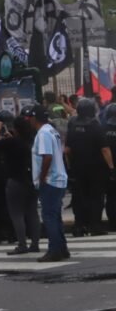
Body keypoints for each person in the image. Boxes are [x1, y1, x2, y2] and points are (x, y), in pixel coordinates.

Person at [0, 113, 40, 255]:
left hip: (16, 180)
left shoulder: (12, 142)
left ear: (16, 129)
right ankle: (35, 243)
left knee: (16, 214)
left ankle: (22, 244)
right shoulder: (31, 140)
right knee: (32, 212)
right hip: (31, 179)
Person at [24, 105, 70, 262]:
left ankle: (54, 250)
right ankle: (62, 248)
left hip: (50, 180)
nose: (29, 121)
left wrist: (42, 177)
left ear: (35, 118)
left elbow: (47, 157)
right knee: (55, 215)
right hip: (59, 178)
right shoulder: (51, 130)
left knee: (49, 216)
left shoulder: (43, 133)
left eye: (30, 118)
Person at [64, 98, 113, 236]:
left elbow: (67, 150)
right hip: (96, 169)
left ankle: (79, 226)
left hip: (77, 168)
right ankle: (95, 226)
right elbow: (105, 149)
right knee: (96, 198)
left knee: (79, 197)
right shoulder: (95, 125)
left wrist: (70, 166)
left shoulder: (72, 124)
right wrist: (111, 167)